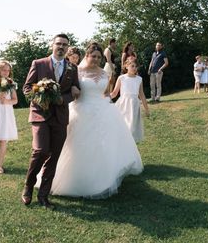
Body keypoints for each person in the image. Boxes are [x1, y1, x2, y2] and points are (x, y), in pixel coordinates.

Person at [44, 42, 143, 199]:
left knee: (100, 145)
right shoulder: (76, 71)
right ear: (87, 56)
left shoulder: (104, 73)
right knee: (77, 145)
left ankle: (102, 177)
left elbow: (106, 93)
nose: (96, 59)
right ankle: (73, 178)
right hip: (81, 110)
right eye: (93, 56)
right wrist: (73, 90)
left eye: (99, 57)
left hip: (102, 111)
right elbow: (67, 89)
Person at [22, 34, 81, 209]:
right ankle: (28, 185)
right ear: (52, 45)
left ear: (68, 47)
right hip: (40, 115)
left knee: (54, 157)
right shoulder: (38, 64)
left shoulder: (72, 68)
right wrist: (40, 97)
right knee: (40, 151)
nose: (61, 47)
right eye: (58, 44)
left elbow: (76, 91)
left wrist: (64, 99)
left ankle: (43, 196)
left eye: (64, 45)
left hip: (61, 116)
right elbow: (26, 88)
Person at [110, 59, 150, 142]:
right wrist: (104, 98)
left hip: (134, 106)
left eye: (136, 66)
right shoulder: (122, 78)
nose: (134, 68)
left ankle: (129, 144)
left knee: (131, 126)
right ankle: (121, 142)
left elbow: (141, 95)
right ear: (126, 66)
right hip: (123, 105)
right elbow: (114, 93)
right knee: (123, 125)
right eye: (132, 66)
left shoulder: (139, 79)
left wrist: (146, 109)